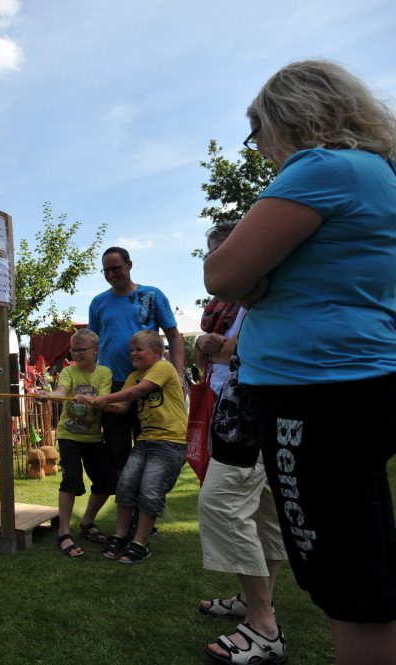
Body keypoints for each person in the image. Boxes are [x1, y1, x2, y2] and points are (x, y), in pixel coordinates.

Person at [205, 60, 396, 664]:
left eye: (255, 130)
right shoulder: (382, 174)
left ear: (286, 116)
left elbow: (223, 272)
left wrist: (255, 284)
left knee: (345, 575)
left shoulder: (320, 167)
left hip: (314, 390)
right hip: (361, 376)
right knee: (363, 548)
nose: (258, 147)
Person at [195, 224, 287, 664]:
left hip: (254, 412)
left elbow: (259, 344)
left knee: (221, 504)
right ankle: (256, 603)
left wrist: (219, 346)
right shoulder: (243, 303)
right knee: (267, 512)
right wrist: (216, 345)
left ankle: (263, 624)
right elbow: (246, 343)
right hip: (261, 407)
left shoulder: (266, 281)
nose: (215, 262)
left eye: (222, 252)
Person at [88, 247, 184, 536]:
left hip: (147, 384)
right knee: (119, 453)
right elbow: (94, 343)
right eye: (106, 270)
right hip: (113, 386)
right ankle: (128, 518)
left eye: (116, 268)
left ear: (129, 265)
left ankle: (144, 520)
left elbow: (174, 335)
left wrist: (178, 374)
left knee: (150, 450)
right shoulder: (98, 302)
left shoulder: (151, 295)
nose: (111, 274)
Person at [76, 330, 187, 564]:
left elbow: (141, 391)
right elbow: (123, 407)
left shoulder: (163, 367)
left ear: (157, 353)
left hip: (170, 442)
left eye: (139, 349)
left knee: (149, 489)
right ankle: (120, 535)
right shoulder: (133, 376)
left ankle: (140, 543)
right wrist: (95, 403)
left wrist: (105, 398)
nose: (133, 353)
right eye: (132, 350)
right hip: (145, 441)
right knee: (125, 484)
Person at [36, 329, 113, 557]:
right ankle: (63, 532)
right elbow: (61, 391)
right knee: (71, 480)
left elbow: (105, 400)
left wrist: (91, 400)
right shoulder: (69, 371)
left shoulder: (104, 373)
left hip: (93, 437)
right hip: (69, 435)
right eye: (74, 350)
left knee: (106, 482)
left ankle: (87, 523)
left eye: (82, 350)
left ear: (96, 351)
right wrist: (49, 395)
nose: (77, 354)